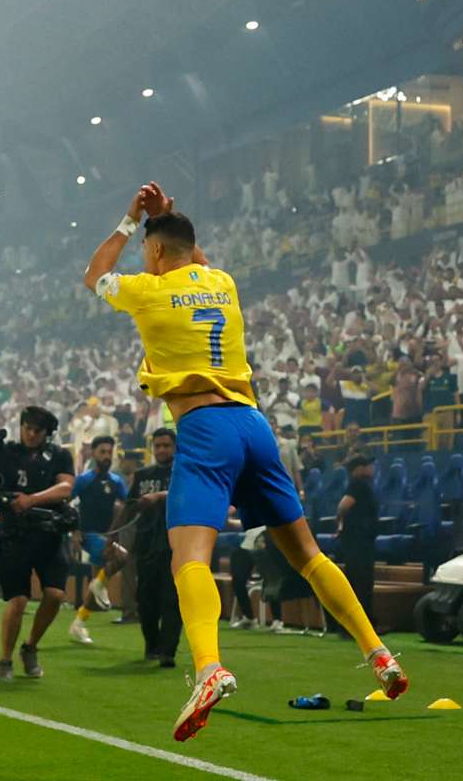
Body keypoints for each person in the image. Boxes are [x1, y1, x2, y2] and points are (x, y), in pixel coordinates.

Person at [85, 182, 406, 742]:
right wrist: (167, 217)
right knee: (308, 554)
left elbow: (94, 274)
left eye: (147, 248)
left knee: (190, 558)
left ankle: (209, 668)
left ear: (157, 252)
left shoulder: (146, 290)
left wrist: (128, 220)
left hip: (204, 429)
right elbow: (194, 259)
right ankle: (379, 654)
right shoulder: (221, 283)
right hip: (255, 426)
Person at [0, 406, 76, 681]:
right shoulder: (7, 453)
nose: (30, 434)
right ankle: (5, 659)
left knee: (56, 595)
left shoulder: (59, 455)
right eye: (27, 427)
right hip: (14, 534)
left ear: (47, 433)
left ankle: (31, 646)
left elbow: (66, 487)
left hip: (49, 533)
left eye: (37, 430)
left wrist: (31, 499)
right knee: (18, 599)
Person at [110, 428, 182, 667]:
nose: (162, 450)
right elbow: (129, 507)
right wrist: (113, 536)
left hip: (177, 545)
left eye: (166, 445)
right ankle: (152, 645)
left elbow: (187, 495)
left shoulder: (186, 472)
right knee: (146, 600)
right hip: (147, 544)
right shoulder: (142, 476)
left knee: (172, 599)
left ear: (175, 447)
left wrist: (159, 496)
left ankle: (168, 652)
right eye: (158, 446)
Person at [69, 434, 126, 644]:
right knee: (122, 558)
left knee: (96, 588)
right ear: (93, 453)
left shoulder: (116, 481)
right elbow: (67, 502)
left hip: (107, 537)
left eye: (109, 452)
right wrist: (74, 530)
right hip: (89, 535)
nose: (106, 456)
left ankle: (78, 624)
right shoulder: (84, 479)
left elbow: (128, 504)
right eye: (102, 452)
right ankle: (98, 585)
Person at [331, 455, 379, 638]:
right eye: (368, 466)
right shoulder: (358, 485)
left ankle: (357, 625)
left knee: (358, 582)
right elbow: (344, 505)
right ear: (359, 469)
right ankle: (360, 626)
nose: (371, 470)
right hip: (360, 542)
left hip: (358, 540)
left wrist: (341, 525)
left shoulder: (359, 485)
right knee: (362, 583)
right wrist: (341, 521)